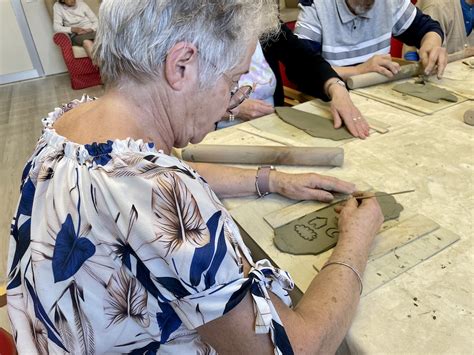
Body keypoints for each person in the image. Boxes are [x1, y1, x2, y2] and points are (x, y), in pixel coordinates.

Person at [7, 0, 383, 353]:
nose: (230, 101)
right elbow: (298, 346)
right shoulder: (164, 193)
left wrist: (270, 180)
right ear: (182, 65)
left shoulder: (71, 125)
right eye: (233, 82)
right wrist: (356, 241)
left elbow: (144, 172)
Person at [222, 22, 371, 139]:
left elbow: (303, 59)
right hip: (218, 135)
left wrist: (336, 87)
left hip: (272, 130)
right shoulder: (202, 28)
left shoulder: (261, 21)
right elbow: (197, 102)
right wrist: (234, 108)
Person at [295, 0, 448, 80]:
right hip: (333, 101)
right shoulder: (315, 7)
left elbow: (428, 28)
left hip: (379, 98)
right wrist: (358, 71)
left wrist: (431, 46)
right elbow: (301, 69)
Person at [404, 0, 474, 56]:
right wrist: (467, 53)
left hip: (458, 70)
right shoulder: (437, 4)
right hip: (426, 71)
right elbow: (430, 59)